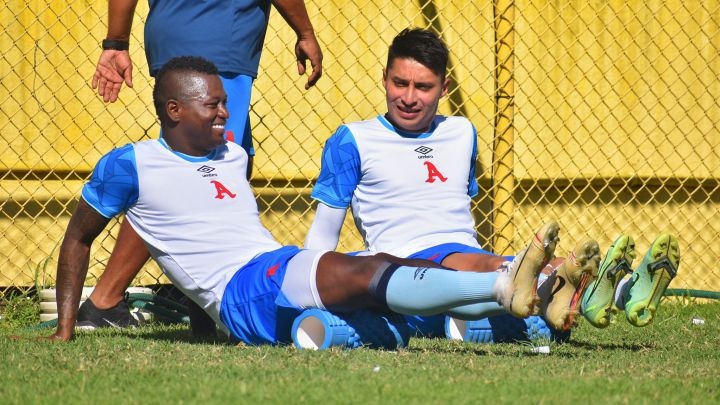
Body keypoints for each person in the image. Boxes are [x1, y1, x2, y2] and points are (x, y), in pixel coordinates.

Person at [47, 56, 560, 343]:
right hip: (243, 291)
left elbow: (195, 231)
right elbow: (77, 239)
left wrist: (203, 325)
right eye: (213, 105)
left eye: (225, 102)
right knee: (365, 272)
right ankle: (503, 285)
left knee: (386, 268)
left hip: (271, 265)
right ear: (174, 110)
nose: (225, 113)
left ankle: (521, 290)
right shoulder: (130, 164)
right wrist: (66, 329)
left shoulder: (231, 154)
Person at [304, 28, 680, 332]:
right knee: (492, 265)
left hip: (467, 255)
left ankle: (625, 291)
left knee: (498, 263)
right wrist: (309, 285)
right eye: (399, 83)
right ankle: (605, 289)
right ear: (384, 79)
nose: (408, 97)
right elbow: (323, 234)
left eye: (423, 87)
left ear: (444, 88)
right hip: (406, 261)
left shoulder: (461, 132)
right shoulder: (353, 139)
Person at [83, 0, 323, 331]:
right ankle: (105, 300)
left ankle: (201, 315)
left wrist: (116, 43)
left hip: (174, 35)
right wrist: (305, 32)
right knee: (198, 174)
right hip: (221, 40)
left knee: (228, 166)